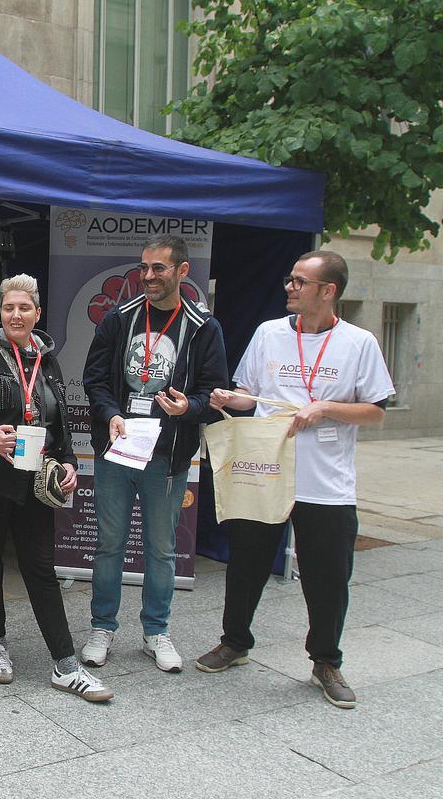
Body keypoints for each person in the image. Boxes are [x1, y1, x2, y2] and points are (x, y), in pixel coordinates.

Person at [196, 251, 393, 709]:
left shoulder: (359, 342)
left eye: (300, 281)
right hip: (266, 471)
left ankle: (326, 661)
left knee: (328, 576)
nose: (290, 286)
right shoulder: (269, 333)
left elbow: (376, 411)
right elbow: (249, 395)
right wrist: (229, 397)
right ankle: (235, 642)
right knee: (246, 563)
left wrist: (325, 408)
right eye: (289, 279)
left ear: (328, 291)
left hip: (325, 482)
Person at [0, 274, 112, 701]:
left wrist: (70, 462)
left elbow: (60, 422)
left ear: (37, 313)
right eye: (8, 308)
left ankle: (65, 664)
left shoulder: (47, 360)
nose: (15, 315)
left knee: (40, 568)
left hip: (36, 483)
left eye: (24, 308)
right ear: (0, 313)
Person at [80, 233, 227, 672]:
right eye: (144, 268)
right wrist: (110, 413)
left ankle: (156, 631)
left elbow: (214, 395)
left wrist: (189, 408)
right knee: (109, 545)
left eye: (158, 268)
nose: (148, 276)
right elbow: (94, 379)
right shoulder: (119, 318)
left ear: (182, 271)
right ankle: (102, 627)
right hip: (117, 451)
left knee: (161, 549)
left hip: (166, 457)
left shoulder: (203, 327)